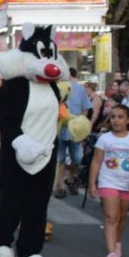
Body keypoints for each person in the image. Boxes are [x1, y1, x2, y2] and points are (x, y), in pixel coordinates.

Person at [88, 105, 129, 257]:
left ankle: (117, 242)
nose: (116, 120)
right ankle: (111, 254)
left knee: (121, 216)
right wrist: (93, 183)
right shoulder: (105, 138)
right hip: (108, 182)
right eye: (113, 117)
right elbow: (97, 161)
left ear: (128, 120)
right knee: (111, 217)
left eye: (120, 117)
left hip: (127, 184)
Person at [54, 67, 92, 198]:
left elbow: (86, 108)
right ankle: (61, 186)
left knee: (77, 158)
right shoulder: (56, 87)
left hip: (74, 130)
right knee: (60, 159)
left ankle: (70, 178)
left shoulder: (79, 89)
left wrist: (81, 125)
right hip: (59, 130)